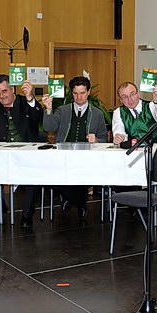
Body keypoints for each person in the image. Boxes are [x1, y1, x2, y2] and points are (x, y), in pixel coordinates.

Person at [0, 74, 43, 228]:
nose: (1, 96)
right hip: (3, 155)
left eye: (4, 91)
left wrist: (30, 98)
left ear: (12, 89)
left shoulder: (25, 102)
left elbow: (38, 116)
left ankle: (27, 216)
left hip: (28, 154)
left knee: (32, 180)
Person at [43, 75, 109, 218]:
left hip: (87, 158)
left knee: (83, 177)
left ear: (88, 92)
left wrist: (96, 139)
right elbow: (49, 127)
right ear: (71, 93)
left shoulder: (97, 114)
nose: (79, 97)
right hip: (63, 156)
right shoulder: (63, 110)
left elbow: (104, 139)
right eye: (75, 93)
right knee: (50, 178)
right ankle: (79, 202)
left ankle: (70, 199)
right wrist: (48, 109)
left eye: (82, 93)